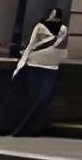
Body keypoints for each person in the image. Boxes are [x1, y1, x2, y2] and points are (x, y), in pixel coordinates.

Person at [7, 7, 69, 135]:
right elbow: (32, 44)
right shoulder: (40, 26)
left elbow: (59, 43)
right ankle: (22, 129)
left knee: (43, 98)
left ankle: (32, 128)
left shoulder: (63, 28)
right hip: (34, 64)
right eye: (51, 13)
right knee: (32, 97)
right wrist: (22, 63)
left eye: (56, 14)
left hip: (51, 66)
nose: (53, 16)